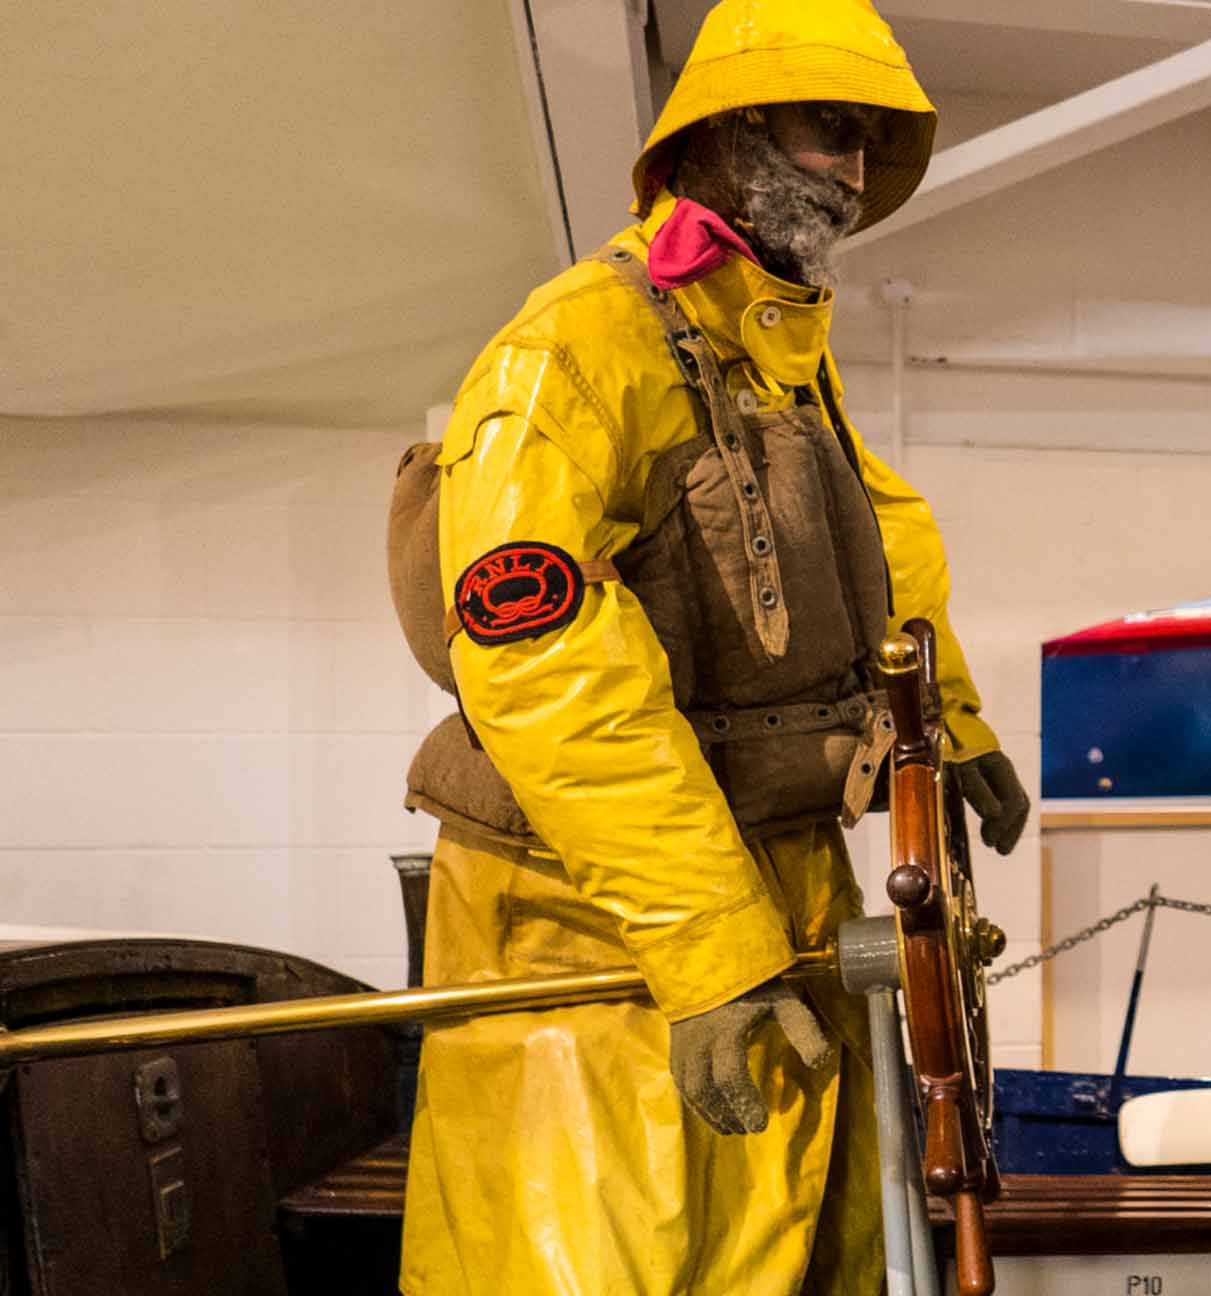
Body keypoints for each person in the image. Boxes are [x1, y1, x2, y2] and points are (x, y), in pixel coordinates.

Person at [387, 1, 1029, 1290]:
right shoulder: (575, 347)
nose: (851, 173)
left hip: (780, 874)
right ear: (726, 140)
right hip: (588, 930)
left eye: (867, 144)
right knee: (614, 1255)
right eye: (826, 131)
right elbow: (545, 660)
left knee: (792, 1255)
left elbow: (878, 544)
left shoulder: (776, 357)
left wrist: (949, 733)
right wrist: (708, 949)